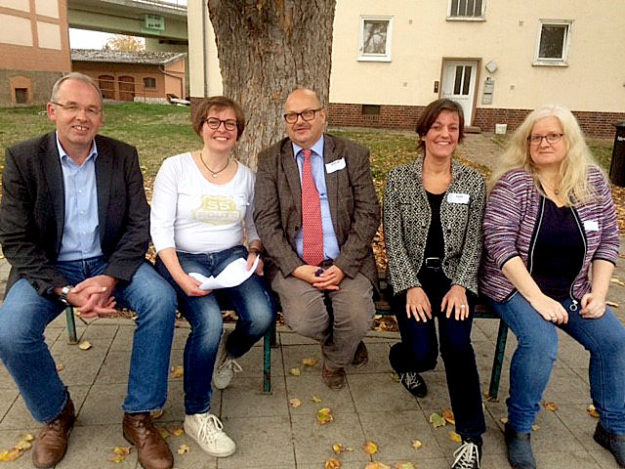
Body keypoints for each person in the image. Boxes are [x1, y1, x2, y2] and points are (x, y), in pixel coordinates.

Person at [0, 73, 177, 469]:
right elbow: (15, 240)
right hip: (49, 268)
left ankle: (139, 415)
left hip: (109, 260)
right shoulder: (23, 159)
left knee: (161, 300)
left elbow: (138, 226)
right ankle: (56, 413)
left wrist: (109, 277)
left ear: (101, 118)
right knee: (9, 332)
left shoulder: (122, 155)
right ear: (52, 111)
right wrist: (65, 291)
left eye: (92, 109)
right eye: (72, 107)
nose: (82, 116)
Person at [481, 105, 625, 469]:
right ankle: (519, 428)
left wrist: (600, 291)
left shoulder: (591, 182)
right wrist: (537, 298)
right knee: (542, 342)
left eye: (553, 135)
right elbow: (499, 245)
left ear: (570, 139)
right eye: (535, 137)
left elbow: (608, 238)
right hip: (515, 288)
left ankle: (612, 427)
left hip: (572, 290)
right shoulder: (515, 183)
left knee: (613, 341)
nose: (543, 142)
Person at [150, 96, 274, 457]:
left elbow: (252, 225)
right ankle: (197, 413)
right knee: (208, 323)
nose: (222, 129)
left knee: (262, 315)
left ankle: (228, 354)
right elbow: (161, 229)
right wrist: (178, 275)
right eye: (214, 122)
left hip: (230, 257)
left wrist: (254, 251)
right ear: (200, 126)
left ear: (239, 132)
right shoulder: (175, 168)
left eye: (230, 124)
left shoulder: (247, 177)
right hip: (183, 257)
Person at [383, 98, 486, 469]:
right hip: (411, 276)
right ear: (423, 132)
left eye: (452, 128)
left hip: (455, 277)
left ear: (459, 136)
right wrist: (410, 286)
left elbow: (475, 242)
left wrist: (460, 285)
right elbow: (392, 241)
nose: (445, 134)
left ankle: (472, 438)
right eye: (437, 127)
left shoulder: (473, 182)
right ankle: (401, 360)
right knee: (424, 353)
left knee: (457, 345)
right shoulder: (399, 179)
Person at [254, 88, 379, 390]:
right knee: (305, 319)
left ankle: (335, 360)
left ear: (322, 116)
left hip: (346, 260)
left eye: (307, 113)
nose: (299, 121)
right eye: (291, 115)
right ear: (285, 121)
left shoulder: (351, 154)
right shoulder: (271, 160)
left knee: (359, 317)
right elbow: (265, 220)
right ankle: (344, 344)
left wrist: (343, 264)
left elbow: (368, 213)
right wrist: (296, 268)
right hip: (293, 264)